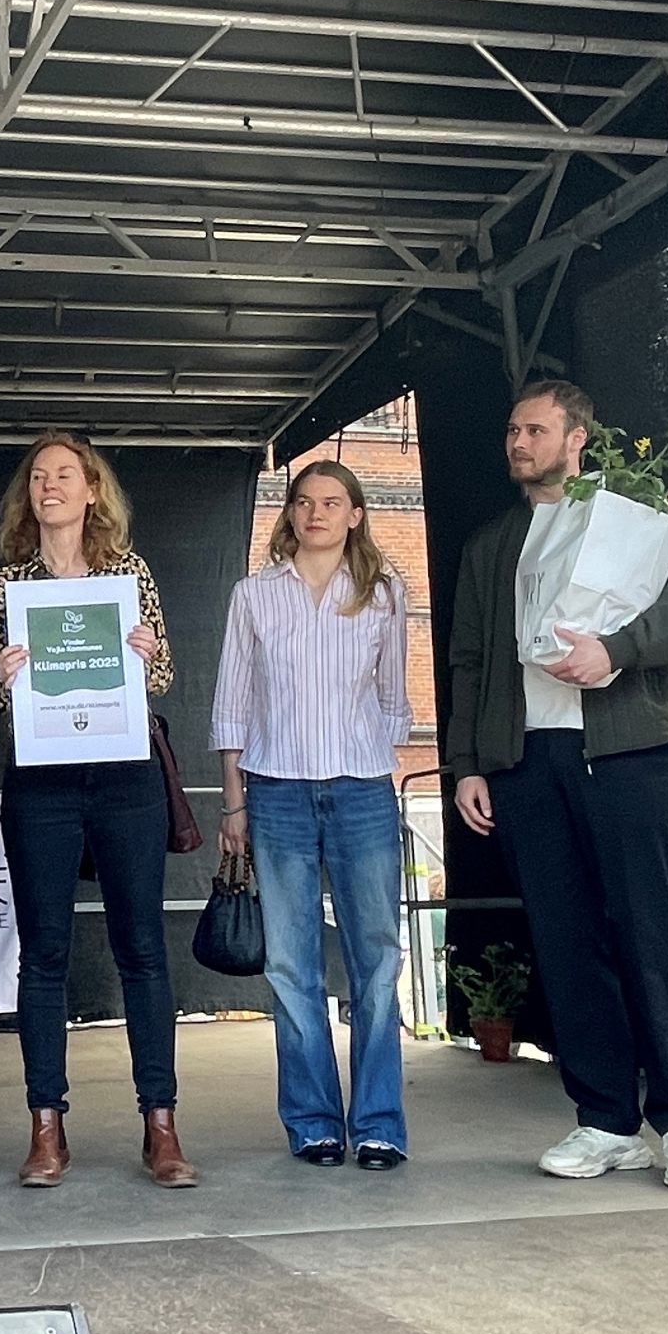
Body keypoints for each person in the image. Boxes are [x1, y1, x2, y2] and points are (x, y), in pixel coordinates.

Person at [447, 380, 668, 1190]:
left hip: (630, 749)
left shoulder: (631, 516)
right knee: (566, 941)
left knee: (652, 931)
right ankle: (606, 1120)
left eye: (535, 430)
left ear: (578, 438)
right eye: (512, 430)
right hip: (527, 761)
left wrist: (618, 649)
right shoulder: (493, 543)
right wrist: (469, 764)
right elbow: (469, 658)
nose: (518, 442)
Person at [0, 429, 194, 1189]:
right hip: (41, 782)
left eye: (65, 474)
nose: (50, 486)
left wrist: (146, 653)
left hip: (125, 777)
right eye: (39, 476)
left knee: (143, 949)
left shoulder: (129, 574)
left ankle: (161, 1124)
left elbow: (163, 675)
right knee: (43, 954)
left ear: (92, 490)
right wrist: (3, 673)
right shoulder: (6, 588)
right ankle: (47, 1127)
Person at [212, 460, 413, 1171]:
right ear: (290, 514)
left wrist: (374, 760)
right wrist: (234, 802)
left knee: (377, 960)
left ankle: (380, 1123)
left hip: (361, 790)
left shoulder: (384, 593)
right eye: (303, 501)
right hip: (276, 794)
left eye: (331, 502)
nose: (316, 513)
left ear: (355, 514)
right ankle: (314, 1122)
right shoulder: (254, 595)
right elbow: (233, 703)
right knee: (291, 965)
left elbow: (393, 697)